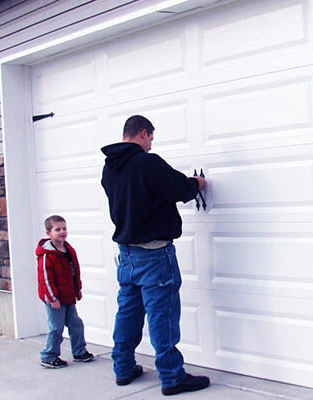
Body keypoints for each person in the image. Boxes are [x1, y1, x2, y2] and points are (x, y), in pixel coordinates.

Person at [101, 115, 210, 396]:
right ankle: (172, 377)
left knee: (128, 312)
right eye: (150, 138)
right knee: (162, 316)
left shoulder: (110, 167)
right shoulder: (147, 162)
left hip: (127, 256)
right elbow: (177, 187)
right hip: (154, 255)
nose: (151, 144)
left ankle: (123, 368)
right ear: (143, 133)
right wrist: (197, 183)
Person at [36, 215, 94, 368]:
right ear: (48, 233)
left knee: (76, 324)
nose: (62, 232)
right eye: (57, 229)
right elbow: (45, 279)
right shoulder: (46, 255)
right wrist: (52, 298)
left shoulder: (68, 249)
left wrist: (77, 289)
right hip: (55, 300)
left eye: (64, 228)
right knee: (56, 328)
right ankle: (48, 356)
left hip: (68, 297)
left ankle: (79, 351)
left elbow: (74, 272)